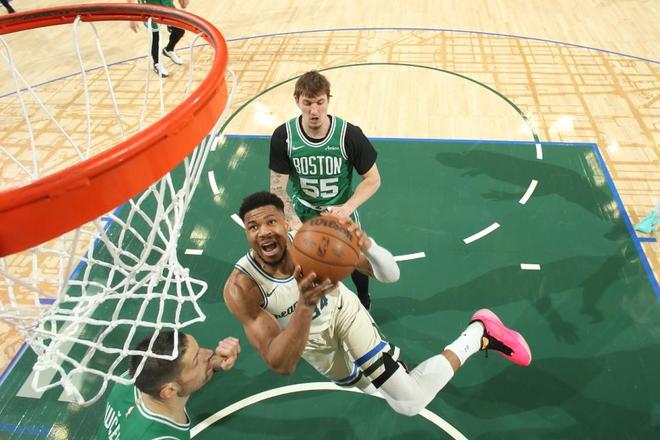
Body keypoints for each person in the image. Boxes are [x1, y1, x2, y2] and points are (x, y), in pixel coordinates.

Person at [223, 191, 531, 418]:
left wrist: (367, 244)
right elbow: (281, 363)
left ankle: (478, 333)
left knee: (409, 403)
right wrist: (305, 306)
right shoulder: (242, 287)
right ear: (246, 233)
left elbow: (391, 275)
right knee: (380, 391)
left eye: (271, 222)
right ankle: (395, 372)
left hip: (345, 314)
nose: (263, 232)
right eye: (253, 227)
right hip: (312, 345)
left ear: (285, 222)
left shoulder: (314, 241)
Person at [269, 70, 381, 310]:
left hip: (340, 212)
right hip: (303, 212)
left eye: (320, 102)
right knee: (305, 266)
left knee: (355, 260)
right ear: (297, 100)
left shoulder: (349, 134)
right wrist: (297, 226)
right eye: (307, 103)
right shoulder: (284, 136)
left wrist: (346, 209)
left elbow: (373, 179)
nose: (314, 110)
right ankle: (312, 308)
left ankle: (363, 298)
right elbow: (277, 189)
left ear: (328, 100)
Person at [98, 331, 240, 439]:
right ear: (169, 391)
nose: (209, 352)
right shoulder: (161, 436)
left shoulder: (131, 379)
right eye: (196, 361)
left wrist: (211, 364)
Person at [128, 0, 189, 78]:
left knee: (179, 30)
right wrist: (131, 17)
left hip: (166, 2)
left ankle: (168, 50)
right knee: (156, 37)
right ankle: (157, 63)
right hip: (149, 5)